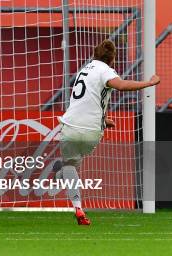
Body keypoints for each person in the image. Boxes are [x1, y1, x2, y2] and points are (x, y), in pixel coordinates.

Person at [58, 39, 160, 225]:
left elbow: (87, 97)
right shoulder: (106, 70)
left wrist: (103, 118)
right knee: (74, 163)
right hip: (92, 132)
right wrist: (149, 82)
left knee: (69, 165)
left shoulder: (85, 69)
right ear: (112, 59)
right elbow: (120, 85)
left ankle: (78, 206)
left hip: (70, 124)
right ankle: (64, 173)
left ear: (94, 55)